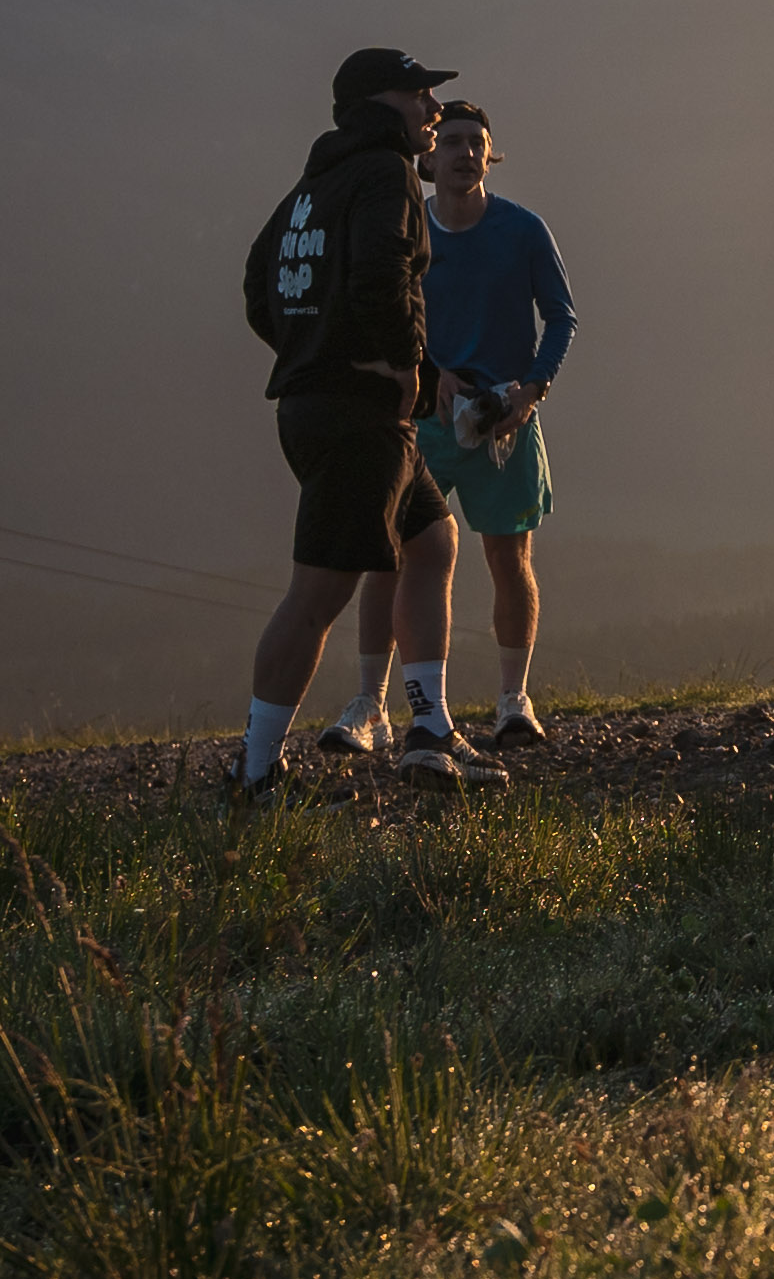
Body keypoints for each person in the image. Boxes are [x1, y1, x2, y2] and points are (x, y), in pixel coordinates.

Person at [233, 46, 502, 796]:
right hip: (359, 414)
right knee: (317, 594)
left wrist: (307, 344)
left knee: (432, 541)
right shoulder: (382, 172)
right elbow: (383, 268)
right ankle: (253, 771)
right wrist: (399, 360)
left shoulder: (317, 179)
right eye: (423, 95)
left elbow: (260, 280)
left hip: (328, 404)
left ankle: (429, 728)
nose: (434, 110)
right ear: (386, 100)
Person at [325, 100, 580, 753]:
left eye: (477, 142)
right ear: (429, 159)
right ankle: (370, 705)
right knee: (393, 559)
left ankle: (512, 702)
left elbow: (561, 317)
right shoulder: (410, 233)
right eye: (454, 141)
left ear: (489, 156)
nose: (465, 152)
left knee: (508, 557)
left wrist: (531, 390)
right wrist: (431, 369)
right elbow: (384, 311)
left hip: (506, 421)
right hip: (424, 422)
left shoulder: (523, 229)